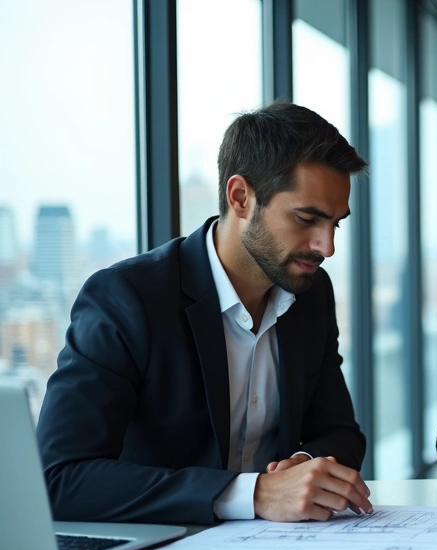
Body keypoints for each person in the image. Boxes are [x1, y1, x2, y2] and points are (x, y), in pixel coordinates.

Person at [37, 102, 373, 525]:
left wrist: (303, 467)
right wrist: (253, 494)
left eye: (336, 224)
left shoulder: (310, 294)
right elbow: (59, 478)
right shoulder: (127, 298)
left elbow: (341, 432)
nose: (327, 247)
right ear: (241, 197)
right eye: (307, 219)